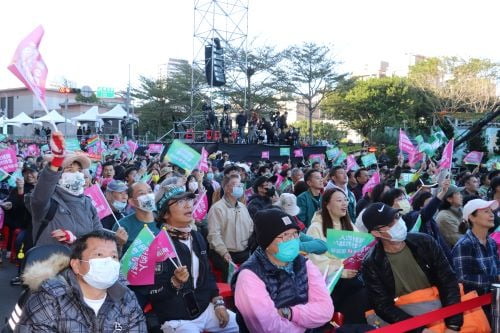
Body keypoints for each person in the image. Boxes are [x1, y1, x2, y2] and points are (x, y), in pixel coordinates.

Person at [144, 185, 239, 333]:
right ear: (165, 214)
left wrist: (218, 303)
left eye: (189, 200)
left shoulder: (196, 236)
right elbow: (152, 293)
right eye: (180, 202)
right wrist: (174, 283)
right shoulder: (157, 245)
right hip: (175, 318)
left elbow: (207, 275)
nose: (189, 205)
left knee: (241, 324)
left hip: (204, 308)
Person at [17, 230, 147, 332]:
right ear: (76, 265)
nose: (108, 262)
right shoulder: (49, 298)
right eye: (99, 255)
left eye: (114, 256)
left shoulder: (127, 299)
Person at [362, 202, 463, 332]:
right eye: (390, 223)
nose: (398, 223)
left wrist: (453, 324)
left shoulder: (425, 242)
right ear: (377, 233)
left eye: (397, 216)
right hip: (407, 315)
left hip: (441, 307)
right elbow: (382, 306)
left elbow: (448, 281)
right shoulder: (372, 263)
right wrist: (419, 330)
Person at [232, 208, 334, 332]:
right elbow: (269, 328)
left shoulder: (303, 264)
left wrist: (290, 313)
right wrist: (305, 325)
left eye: (295, 234)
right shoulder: (250, 275)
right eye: (285, 235)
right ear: (267, 243)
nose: (292, 240)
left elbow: (326, 310)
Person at [30, 133, 106, 247]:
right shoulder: (48, 201)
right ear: (58, 174)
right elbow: (41, 194)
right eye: (69, 169)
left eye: (79, 170)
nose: (76, 174)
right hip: (50, 262)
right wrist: (56, 161)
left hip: (81, 263)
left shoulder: (88, 204)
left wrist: (75, 241)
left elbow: (98, 238)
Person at [307, 188, 368, 324]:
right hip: (333, 283)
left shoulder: (348, 224)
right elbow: (316, 262)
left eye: (345, 200)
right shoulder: (316, 228)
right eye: (339, 200)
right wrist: (341, 271)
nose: (344, 203)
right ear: (327, 204)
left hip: (354, 277)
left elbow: (360, 249)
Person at [207, 174, 254, 280]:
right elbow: (214, 235)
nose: (239, 187)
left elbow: (250, 229)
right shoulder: (217, 208)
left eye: (240, 184)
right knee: (231, 277)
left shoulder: (243, 207)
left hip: (243, 252)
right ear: (227, 188)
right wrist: (224, 252)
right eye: (235, 184)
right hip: (224, 253)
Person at [452, 199, 500, 295]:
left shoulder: (492, 242)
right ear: (472, 218)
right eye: (486, 211)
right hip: (475, 305)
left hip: (493, 300)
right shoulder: (464, 245)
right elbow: (462, 278)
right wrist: (496, 278)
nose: (492, 215)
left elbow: (497, 267)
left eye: (491, 211)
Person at [114, 182, 160, 253]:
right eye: (141, 194)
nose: (148, 196)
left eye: (150, 192)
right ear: (132, 201)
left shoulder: (164, 220)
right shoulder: (122, 226)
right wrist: (119, 244)